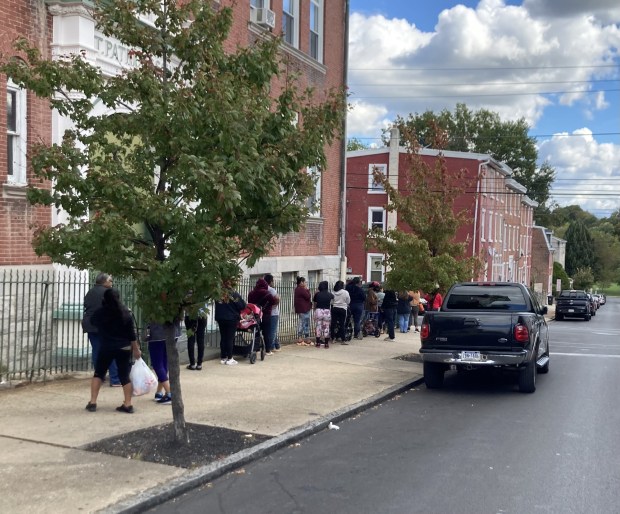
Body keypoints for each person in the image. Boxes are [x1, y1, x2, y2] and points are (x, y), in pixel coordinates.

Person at [85, 288, 141, 413]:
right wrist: (136, 349)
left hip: (106, 346)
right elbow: (132, 334)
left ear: (104, 299)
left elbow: (92, 322)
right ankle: (128, 404)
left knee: (99, 373)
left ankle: (93, 402)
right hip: (124, 347)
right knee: (124, 376)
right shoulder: (125, 313)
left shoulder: (100, 313)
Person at [82, 272, 121, 387]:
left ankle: (99, 376)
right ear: (104, 282)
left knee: (97, 350)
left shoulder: (90, 292)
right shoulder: (109, 293)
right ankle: (115, 378)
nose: (111, 283)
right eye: (110, 280)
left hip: (90, 324)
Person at [147, 320, 181, 404]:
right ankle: (159, 391)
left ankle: (169, 393)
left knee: (157, 364)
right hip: (173, 331)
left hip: (157, 333)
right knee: (164, 362)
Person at [215, 282, 246, 366]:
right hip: (231, 318)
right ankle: (230, 358)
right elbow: (242, 305)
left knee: (223, 337)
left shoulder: (218, 294)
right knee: (230, 338)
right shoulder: (233, 293)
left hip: (220, 318)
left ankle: (223, 357)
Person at [248, 278, 279, 355]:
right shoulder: (267, 293)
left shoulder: (251, 293)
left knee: (256, 331)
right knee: (266, 332)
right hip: (266, 314)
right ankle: (268, 350)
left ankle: (257, 348)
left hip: (255, 315)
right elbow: (273, 302)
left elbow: (250, 303)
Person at [313, 280, 334, 348]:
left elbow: (315, 302)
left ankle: (318, 343)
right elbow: (332, 302)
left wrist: (315, 310)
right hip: (327, 311)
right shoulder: (330, 294)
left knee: (318, 327)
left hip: (319, 310)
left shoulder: (317, 294)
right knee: (326, 327)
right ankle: (326, 343)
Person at [264, 274, 281, 352]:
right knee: (273, 330)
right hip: (273, 313)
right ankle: (271, 346)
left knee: (270, 330)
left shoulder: (263, 289)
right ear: (270, 281)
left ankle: (276, 345)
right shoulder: (271, 290)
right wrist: (275, 304)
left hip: (265, 312)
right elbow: (277, 299)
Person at [331, 280, 350, 344]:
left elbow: (331, 301)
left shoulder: (333, 292)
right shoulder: (345, 292)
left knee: (333, 323)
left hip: (335, 308)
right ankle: (343, 339)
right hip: (343, 309)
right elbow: (348, 301)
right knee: (342, 324)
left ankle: (333, 338)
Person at [294, 276, 312, 345]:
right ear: (301, 282)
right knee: (306, 323)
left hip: (300, 309)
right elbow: (308, 296)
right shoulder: (301, 289)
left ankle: (300, 338)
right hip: (304, 309)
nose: (305, 283)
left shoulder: (297, 289)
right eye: (304, 282)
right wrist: (307, 289)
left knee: (301, 322)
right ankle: (307, 338)